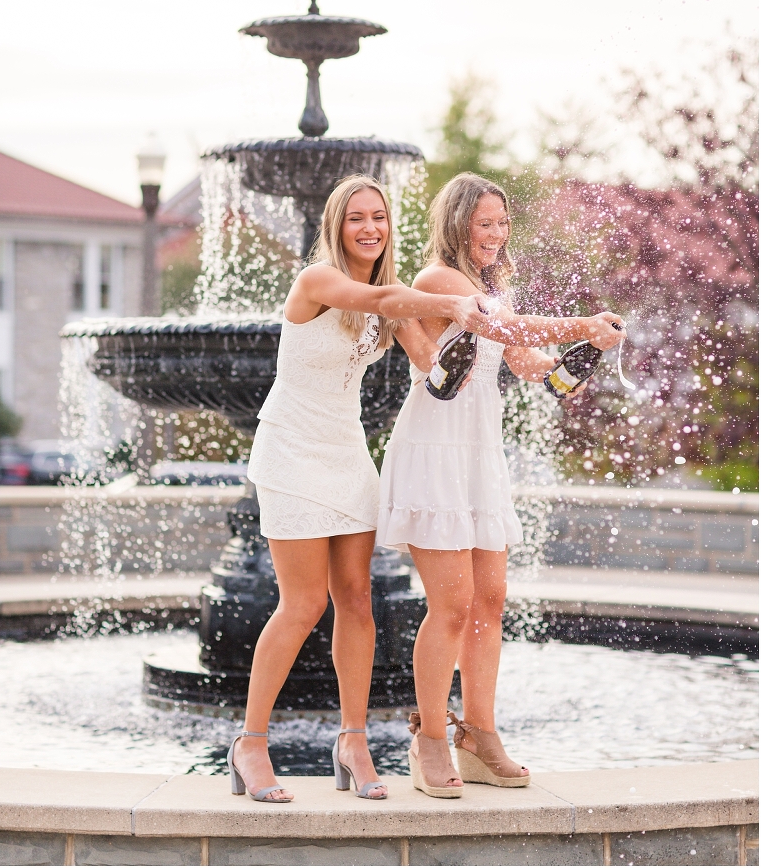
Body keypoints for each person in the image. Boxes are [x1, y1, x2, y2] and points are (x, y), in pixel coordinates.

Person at [227, 174, 492, 804]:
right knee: (302, 604)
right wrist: (447, 302)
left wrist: (481, 346)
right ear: (336, 226)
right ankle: (250, 744)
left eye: (379, 217)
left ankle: (353, 740)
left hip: (348, 454)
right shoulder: (318, 281)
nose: (369, 228)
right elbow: (379, 303)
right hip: (292, 451)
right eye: (356, 219)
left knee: (358, 601)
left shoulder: (387, 300)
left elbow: (431, 364)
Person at [377, 173, 624, 798]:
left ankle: (479, 737)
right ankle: (429, 738)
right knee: (453, 604)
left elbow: (523, 361)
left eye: (502, 223)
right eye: (484, 223)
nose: (495, 234)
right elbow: (509, 332)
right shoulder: (439, 281)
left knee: (490, 601)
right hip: (434, 451)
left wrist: (576, 358)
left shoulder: (494, 288)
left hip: (479, 454)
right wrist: (581, 321)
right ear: (457, 224)